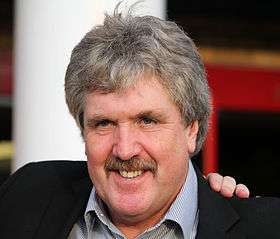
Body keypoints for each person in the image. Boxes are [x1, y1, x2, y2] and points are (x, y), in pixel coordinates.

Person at [0, 4, 279, 239]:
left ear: (191, 129)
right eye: (104, 123)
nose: (124, 149)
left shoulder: (266, 228)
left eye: (146, 120)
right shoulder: (27, 194)